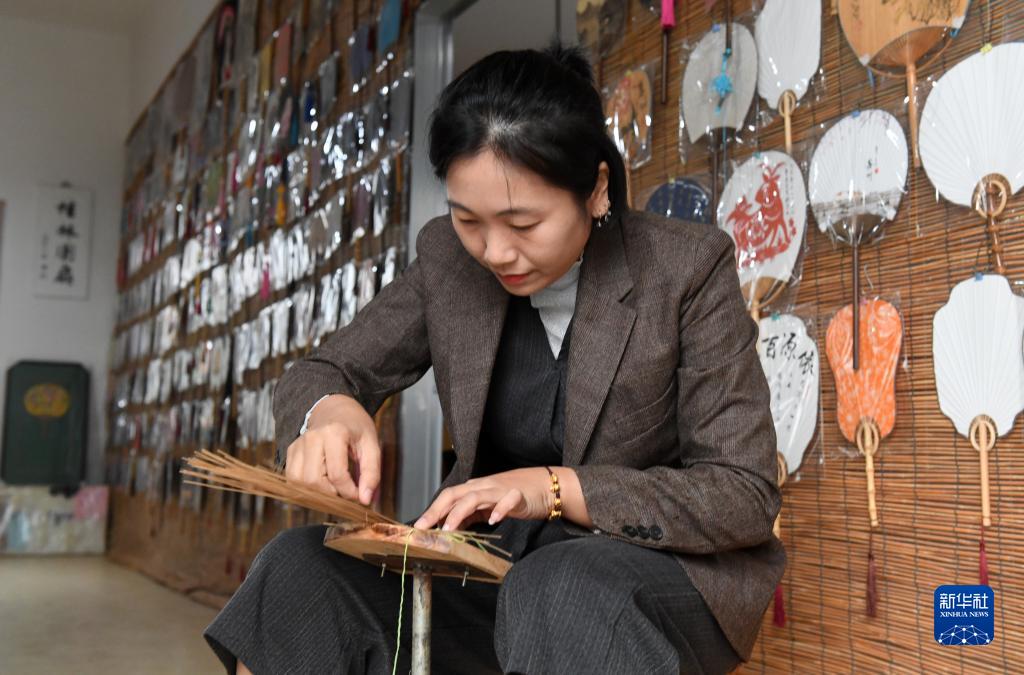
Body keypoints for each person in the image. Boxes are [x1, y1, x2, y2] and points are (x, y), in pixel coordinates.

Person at [204, 43, 785, 675]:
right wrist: (329, 413)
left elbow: (741, 493)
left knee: (560, 588)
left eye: (523, 223)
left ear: (594, 189)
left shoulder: (684, 269)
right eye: (468, 219)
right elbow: (325, 371)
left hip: (659, 571)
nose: (495, 251)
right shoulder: (449, 262)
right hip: (496, 564)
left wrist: (552, 488)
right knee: (300, 571)